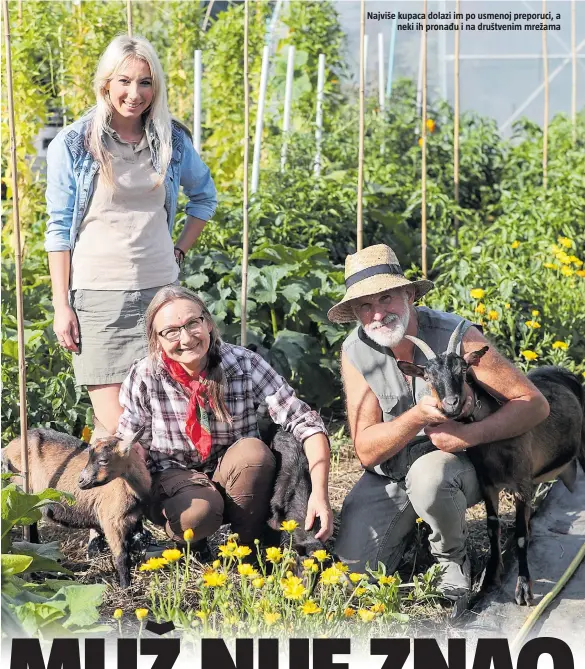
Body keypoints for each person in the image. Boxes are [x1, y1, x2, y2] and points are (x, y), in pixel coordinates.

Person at [328, 244, 549, 599]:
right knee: (351, 575)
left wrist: (469, 434)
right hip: (394, 469)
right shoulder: (357, 350)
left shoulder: (456, 335)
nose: (376, 314)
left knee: (430, 477)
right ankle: (413, 533)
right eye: (364, 306)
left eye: (386, 298)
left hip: (460, 464)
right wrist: (416, 416)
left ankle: (452, 559)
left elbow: (534, 405)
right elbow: (366, 452)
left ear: (410, 294)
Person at [44, 35, 217, 438]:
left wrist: (179, 249)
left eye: (145, 83)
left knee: (163, 421)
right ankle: (107, 503)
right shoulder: (74, 144)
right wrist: (61, 305)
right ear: (106, 83)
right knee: (119, 428)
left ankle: (171, 499)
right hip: (100, 299)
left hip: (162, 295)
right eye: (124, 81)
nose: (134, 94)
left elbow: (204, 198)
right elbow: (58, 230)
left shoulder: (171, 139)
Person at [115, 285, 334, 550]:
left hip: (233, 471)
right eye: (171, 331)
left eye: (192, 323)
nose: (185, 339)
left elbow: (305, 422)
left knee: (254, 454)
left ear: (207, 322)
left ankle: (249, 546)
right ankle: (193, 541)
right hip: (174, 473)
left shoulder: (243, 364)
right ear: (156, 339)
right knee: (198, 515)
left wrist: (320, 493)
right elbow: (129, 442)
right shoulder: (145, 375)